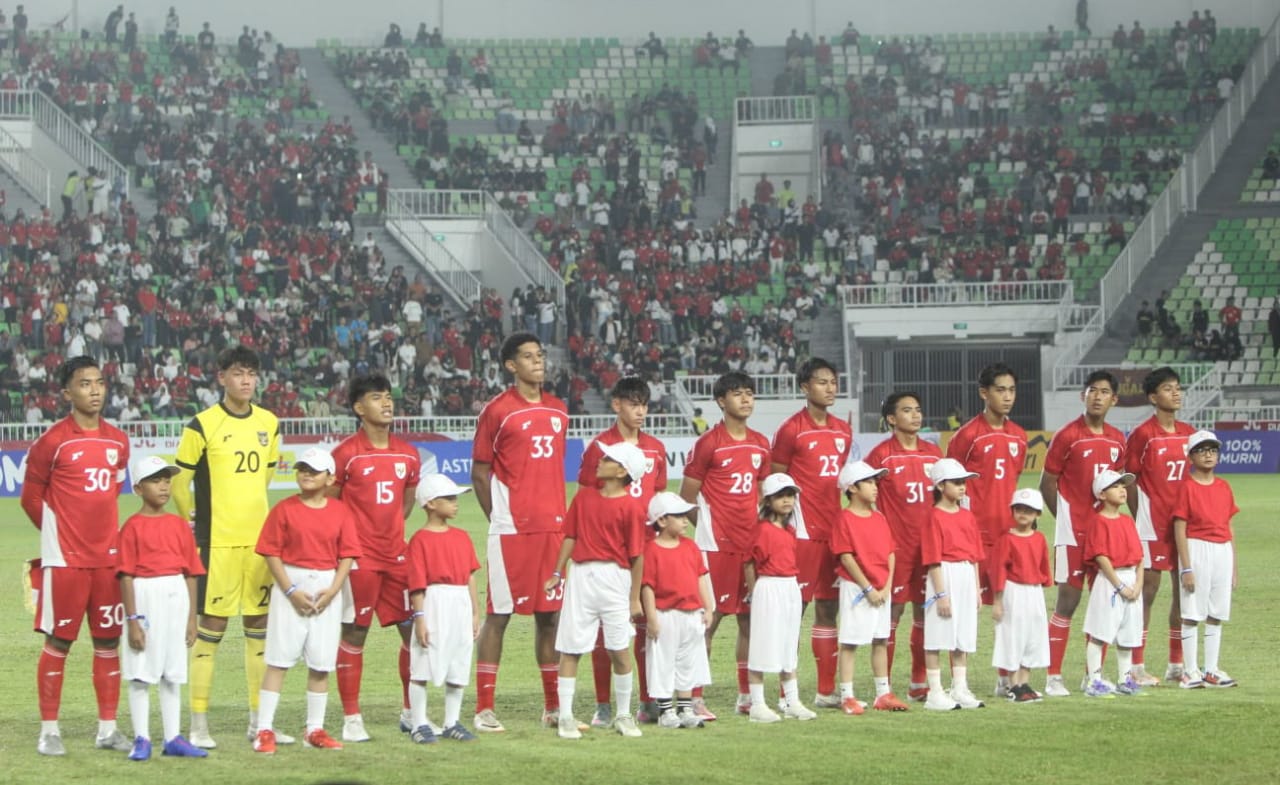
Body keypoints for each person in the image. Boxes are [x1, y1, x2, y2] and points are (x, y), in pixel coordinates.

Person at [22, 356, 132, 756]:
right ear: (67, 393)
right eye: (85, 384)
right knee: (59, 641)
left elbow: (113, 493)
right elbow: (30, 498)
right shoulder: (52, 442)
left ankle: (108, 729)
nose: (95, 390)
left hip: (108, 561)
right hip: (65, 562)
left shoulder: (118, 441)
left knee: (108, 641)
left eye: (99, 382)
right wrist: (58, 539)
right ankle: (49, 730)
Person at [173, 346, 281, 749]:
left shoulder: (269, 422)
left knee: (259, 632)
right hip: (216, 544)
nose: (246, 381)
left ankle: (259, 721)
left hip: (258, 546)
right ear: (222, 378)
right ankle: (199, 723)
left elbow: (265, 477)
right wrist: (192, 523)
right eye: (238, 373)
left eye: (252, 373)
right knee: (210, 632)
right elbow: (180, 484)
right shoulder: (201, 425)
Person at [470, 332, 570, 732]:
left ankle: (551, 706)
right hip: (512, 531)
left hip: (554, 529)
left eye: (540, 354)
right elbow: (480, 472)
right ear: (511, 366)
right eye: (528, 357)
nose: (538, 362)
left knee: (550, 617)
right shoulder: (498, 411)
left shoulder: (560, 410)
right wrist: (501, 517)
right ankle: (484, 708)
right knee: (499, 615)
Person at [329, 374, 422, 742]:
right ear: (358, 408)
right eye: (375, 398)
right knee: (355, 632)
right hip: (359, 561)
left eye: (388, 397)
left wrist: (391, 532)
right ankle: (352, 718)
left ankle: (410, 710)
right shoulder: (346, 455)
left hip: (397, 557)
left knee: (413, 632)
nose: (386, 403)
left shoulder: (408, 454)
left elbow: (407, 501)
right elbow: (332, 506)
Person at [251, 448, 361, 753]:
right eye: (302, 469)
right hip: (292, 582)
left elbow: (348, 554)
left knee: (321, 663)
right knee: (278, 660)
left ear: (330, 478)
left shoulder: (340, 511)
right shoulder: (284, 509)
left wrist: (333, 591)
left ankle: (315, 729)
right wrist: (289, 591)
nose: (306, 474)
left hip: (327, 585)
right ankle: (264, 729)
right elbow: (271, 552)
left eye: (314, 470)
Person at [679, 371, 771, 720]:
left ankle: (746, 695)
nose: (745, 400)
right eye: (737, 394)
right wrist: (710, 532)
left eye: (750, 393)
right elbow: (686, 499)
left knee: (749, 621)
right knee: (707, 620)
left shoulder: (762, 443)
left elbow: (763, 495)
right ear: (721, 401)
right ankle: (695, 696)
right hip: (715, 549)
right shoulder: (708, 444)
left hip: (751, 548)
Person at [577, 376, 669, 726]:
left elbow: (658, 497)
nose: (640, 411)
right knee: (607, 630)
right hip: (608, 553)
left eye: (644, 404)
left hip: (644, 549)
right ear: (616, 405)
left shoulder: (656, 448)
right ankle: (603, 705)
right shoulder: (600, 447)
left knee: (646, 627)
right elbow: (587, 496)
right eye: (633, 403)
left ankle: (649, 701)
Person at [547, 442, 648, 739]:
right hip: (581, 577)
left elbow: (636, 556)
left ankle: (623, 714)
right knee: (571, 647)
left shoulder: (631, 507)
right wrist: (557, 571)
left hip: (615, 579)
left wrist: (633, 598)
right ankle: (565, 717)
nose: (600, 460)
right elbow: (570, 535)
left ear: (621, 470)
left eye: (607, 458)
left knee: (618, 648)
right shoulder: (583, 498)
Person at [769, 358, 851, 709]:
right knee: (793, 611)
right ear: (805, 387)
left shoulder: (843, 431)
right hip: (801, 533)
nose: (830, 388)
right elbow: (775, 482)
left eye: (833, 382)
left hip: (834, 532)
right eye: (822, 382)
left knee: (828, 609)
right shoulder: (791, 430)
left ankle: (825, 690)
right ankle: (785, 692)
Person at [1039, 370, 1125, 697]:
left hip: (1104, 534)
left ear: (1114, 399)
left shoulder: (1118, 439)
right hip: (1074, 534)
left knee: (1104, 605)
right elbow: (1046, 483)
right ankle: (1053, 676)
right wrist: (1066, 522)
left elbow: (1117, 487)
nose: (1098, 396)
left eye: (1105, 392)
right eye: (1093, 391)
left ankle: (1094, 676)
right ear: (1083, 396)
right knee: (1067, 603)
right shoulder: (1067, 435)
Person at [117, 456, 208, 761]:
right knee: (142, 671)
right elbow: (126, 576)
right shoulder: (131, 526)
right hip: (145, 596)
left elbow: (191, 573)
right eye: (156, 480)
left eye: (167, 480)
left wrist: (191, 619)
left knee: (173, 671)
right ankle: (141, 738)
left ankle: (173, 737)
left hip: (175, 596)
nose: (164, 486)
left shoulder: (179, 525)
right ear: (139, 488)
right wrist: (132, 620)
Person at [946, 364, 1026, 694]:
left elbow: (1015, 481)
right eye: (1000, 390)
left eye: (1011, 390)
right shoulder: (966, 436)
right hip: (972, 537)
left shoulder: (1019, 436)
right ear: (984, 393)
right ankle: (955, 682)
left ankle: (1004, 679)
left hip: (1008, 537)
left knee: (1007, 610)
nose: (1007, 397)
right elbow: (949, 484)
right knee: (963, 610)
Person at [866, 392, 944, 701]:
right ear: (891, 419)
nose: (915, 415)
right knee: (892, 615)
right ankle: (884, 686)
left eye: (918, 410)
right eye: (907, 410)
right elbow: (864, 498)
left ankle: (918, 683)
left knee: (926, 615)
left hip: (929, 549)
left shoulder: (934, 454)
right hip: (896, 551)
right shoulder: (880, 456)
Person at [1123, 366, 1197, 687]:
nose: (1176, 393)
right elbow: (1129, 481)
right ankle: (1136, 664)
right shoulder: (1142, 435)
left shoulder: (1190, 433)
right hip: (1152, 525)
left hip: (1184, 524)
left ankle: (1176, 663)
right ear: (1153, 397)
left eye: (1178, 388)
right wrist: (1142, 519)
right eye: (1168, 389)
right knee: (1147, 593)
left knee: (1184, 592)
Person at [404, 474, 482, 743]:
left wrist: (474, 611)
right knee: (424, 664)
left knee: (458, 662)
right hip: (434, 602)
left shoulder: (461, 536)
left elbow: (470, 575)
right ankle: (419, 723)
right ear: (431, 503)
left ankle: (451, 722)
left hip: (459, 602)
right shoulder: (420, 540)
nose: (456, 503)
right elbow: (416, 584)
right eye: (449, 498)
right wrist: (420, 618)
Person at [831, 461, 909, 714]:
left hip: (881, 588)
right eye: (870, 482)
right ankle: (847, 695)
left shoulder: (879, 517)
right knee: (851, 641)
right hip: (856, 588)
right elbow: (846, 556)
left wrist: (886, 587)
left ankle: (883, 693)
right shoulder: (844, 518)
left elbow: (890, 553)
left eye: (876, 482)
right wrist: (867, 589)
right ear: (852, 488)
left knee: (880, 640)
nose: (875, 487)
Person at [743, 474, 816, 723]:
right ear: (769, 499)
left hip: (789, 587)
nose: (787, 501)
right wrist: (756, 593)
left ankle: (792, 700)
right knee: (763, 645)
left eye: (791, 496)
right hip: (769, 586)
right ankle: (758, 703)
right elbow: (749, 563)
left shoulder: (790, 530)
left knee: (788, 643)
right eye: (782, 496)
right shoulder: (760, 530)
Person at [641, 492, 714, 729]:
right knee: (663, 661)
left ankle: (684, 708)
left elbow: (700, 577)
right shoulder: (651, 550)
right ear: (662, 521)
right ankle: (665, 710)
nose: (685, 520)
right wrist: (651, 618)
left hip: (691, 614)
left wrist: (708, 607)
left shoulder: (691, 547)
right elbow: (647, 587)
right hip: (665, 614)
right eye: (680, 516)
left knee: (687, 661)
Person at [1172, 430, 1238, 689]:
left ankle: (1210, 669)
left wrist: (1234, 565)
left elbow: (1228, 524)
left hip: (1222, 550)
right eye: (1202, 450)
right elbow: (1179, 527)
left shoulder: (1224, 486)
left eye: (1212, 450)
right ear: (1190, 457)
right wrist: (1186, 567)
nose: (1208, 454)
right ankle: (1189, 670)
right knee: (1192, 611)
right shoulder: (1187, 488)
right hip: (1197, 548)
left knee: (1216, 611)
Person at [921, 458, 986, 711]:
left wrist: (977, 589)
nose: (962, 487)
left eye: (963, 483)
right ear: (940, 485)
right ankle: (935, 692)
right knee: (938, 636)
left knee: (962, 636)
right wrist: (941, 595)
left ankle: (959, 687)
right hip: (944, 575)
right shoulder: (933, 517)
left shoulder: (968, 516)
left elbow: (975, 556)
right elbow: (933, 559)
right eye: (956, 482)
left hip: (965, 574)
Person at [1080, 470, 1144, 698]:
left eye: (1123, 486)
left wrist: (1138, 585)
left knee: (1128, 633)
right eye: (1115, 486)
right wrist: (1119, 586)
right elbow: (1100, 556)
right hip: (1110, 580)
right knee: (1100, 632)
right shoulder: (1098, 521)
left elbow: (1139, 557)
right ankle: (1094, 680)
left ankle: (1124, 678)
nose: (1122, 490)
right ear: (1102, 494)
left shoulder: (1127, 521)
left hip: (1131, 579)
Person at [990, 489, 1053, 703]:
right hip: (1013, 590)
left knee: (1032, 637)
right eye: (1019, 509)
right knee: (1012, 636)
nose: (1023, 514)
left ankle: (1024, 682)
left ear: (1037, 514)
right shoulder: (1006, 540)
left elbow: (1044, 564)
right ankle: (1012, 683)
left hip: (1033, 591)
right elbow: (998, 570)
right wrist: (998, 601)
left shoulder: (1039, 538)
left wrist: (1044, 583)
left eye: (1029, 510)